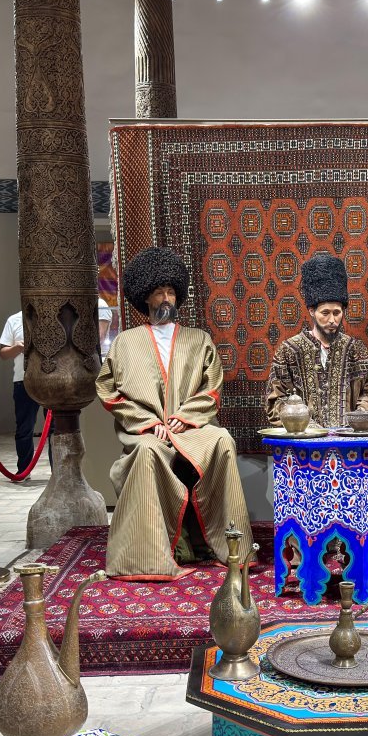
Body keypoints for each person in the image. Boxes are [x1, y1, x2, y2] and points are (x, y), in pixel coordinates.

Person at [94, 247, 252, 578]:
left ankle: (231, 545)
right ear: (145, 298)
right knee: (148, 452)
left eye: (170, 291)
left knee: (222, 439)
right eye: (158, 292)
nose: (166, 298)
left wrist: (187, 416)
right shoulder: (125, 342)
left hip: (191, 429)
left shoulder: (199, 339)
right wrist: (147, 422)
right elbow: (108, 390)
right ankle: (147, 556)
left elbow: (212, 387)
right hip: (148, 432)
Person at [265, 253, 368, 429]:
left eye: (337, 313)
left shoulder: (356, 350)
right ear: (312, 311)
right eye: (325, 313)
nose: (332, 320)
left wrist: (360, 415)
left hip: (348, 438)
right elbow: (276, 401)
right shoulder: (289, 351)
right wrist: (306, 424)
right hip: (303, 440)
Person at [0, 310, 41, 473]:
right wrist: (17, 347)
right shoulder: (14, 319)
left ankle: (56, 471)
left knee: (54, 428)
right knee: (24, 428)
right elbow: (3, 353)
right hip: (23, 378)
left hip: (52, 378)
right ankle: (23, 470)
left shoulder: (52, 314)